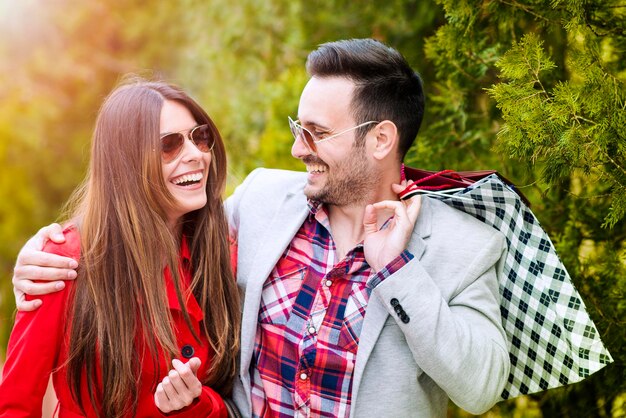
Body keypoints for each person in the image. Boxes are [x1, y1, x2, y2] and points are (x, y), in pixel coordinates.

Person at [10, 39, 510, 417]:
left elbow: (481, 387)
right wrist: (52, 251)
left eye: (316, 133)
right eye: (299, 128)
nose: (298, 149)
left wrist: (397, 271)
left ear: (380, 140)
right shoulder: (261, 202)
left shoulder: (462, 246)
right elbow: (151, 226)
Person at [1, 78, 241, 417]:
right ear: (127, 163)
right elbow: (15, 405)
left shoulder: (221, 255)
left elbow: (231, 397)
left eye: (200, 137)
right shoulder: (64, 262)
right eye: (170, 144)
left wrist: (197, 404)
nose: (196, 155)